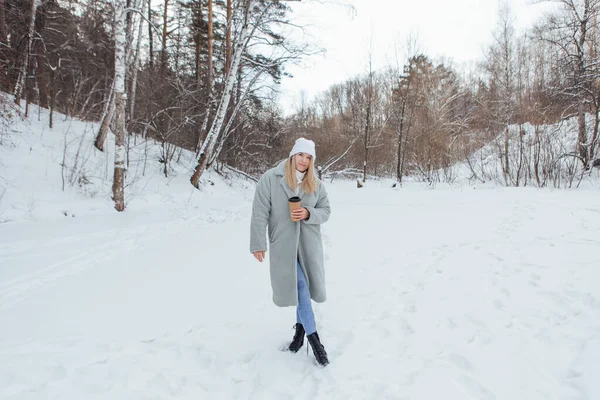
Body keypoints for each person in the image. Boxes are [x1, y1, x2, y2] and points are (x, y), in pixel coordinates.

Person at [249, 137, 331, 366]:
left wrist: (308, 214)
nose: (304, 161)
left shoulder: (315, 183)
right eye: (300, 155)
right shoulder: (271, 179)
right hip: (283, 244)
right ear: (292, 155)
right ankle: (316, 342)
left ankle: (299, 336)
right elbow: (259, 212)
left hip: (308, 246)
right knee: (300, 286)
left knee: (302, 288)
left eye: (308, 157)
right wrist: (258, 243)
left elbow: (326, 211)